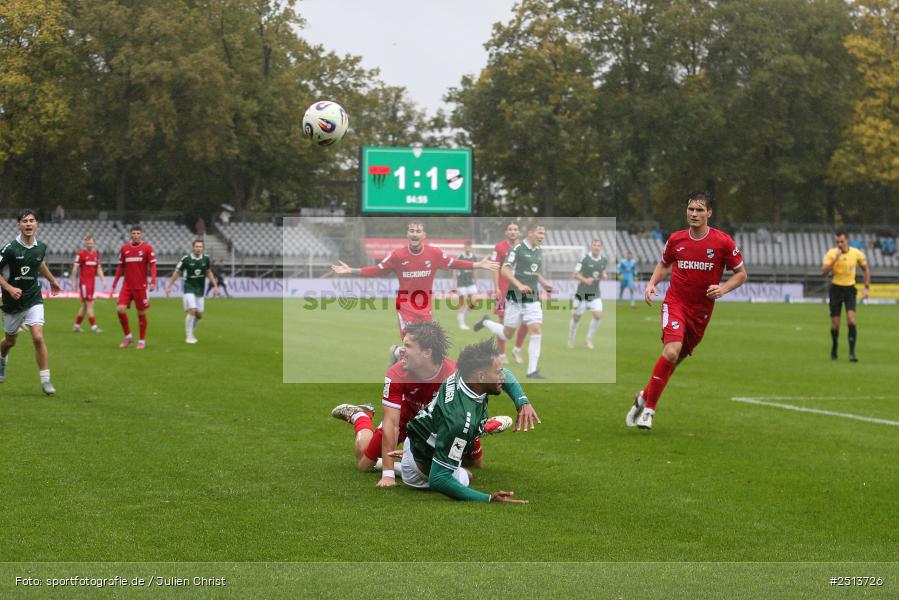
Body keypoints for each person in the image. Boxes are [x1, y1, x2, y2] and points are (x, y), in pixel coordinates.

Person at [330, 321, 541, 488]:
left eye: (408, 346)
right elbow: (392, 423)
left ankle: (477, 427)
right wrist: (387, 475)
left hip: (444, 423)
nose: (401, 351)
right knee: (363, 464)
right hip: (407, 419)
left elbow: (497, 371)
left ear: (427, 352)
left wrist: (522, 401)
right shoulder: (396, 373)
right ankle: (360, 416)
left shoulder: (453, 370)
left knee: (474, 465)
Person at [626, 191, 747, 430]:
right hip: (675, 303)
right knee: (671, 352)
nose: (694, 214)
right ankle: (649, 411)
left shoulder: (723, 242)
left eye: (700, 210)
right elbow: (663, 264)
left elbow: (741, 274)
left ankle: (642, 397)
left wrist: (723, 289)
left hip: (701, 312)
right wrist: (652, 284)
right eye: (691, 209)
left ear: (709, 213)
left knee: (674, 360)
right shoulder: (676, 239)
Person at [331, 221, 498, 361]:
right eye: (412, 230)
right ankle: (403, 370)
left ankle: (397, 353)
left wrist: (477, 265)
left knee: (428, 346)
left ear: (423, 235)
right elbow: (377, 269)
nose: (415, 233)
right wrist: (351, 270)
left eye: (418, 231)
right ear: (407, 234)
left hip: (425, 306)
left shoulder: (434, 253)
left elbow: (454, 263)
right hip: (405, 306)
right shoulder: (398, 255)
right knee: (411, 344)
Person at [399, 338, 529, 503]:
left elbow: (506, 373)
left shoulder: (464, 374)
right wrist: (488, 498)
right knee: (465, 476)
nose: (503, 376)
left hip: (419, 438)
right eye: (498, 373)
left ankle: (478, 428)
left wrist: (522, 401)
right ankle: (478, 429)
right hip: (417, 471)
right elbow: (439, 479)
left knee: (461, 446)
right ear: (481, 377)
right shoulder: (460, 421)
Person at [475, 223, 553, 379]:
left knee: (536, 329)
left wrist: (544, 283)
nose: (541, 236)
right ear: (530, 233)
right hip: (515, 298)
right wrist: (519, 285)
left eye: (543, 233)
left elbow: (534, 272)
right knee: (507, 334)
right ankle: (486, 323)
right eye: (539, 233)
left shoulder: (538, 250)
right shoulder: (516, 249)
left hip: (532, 298)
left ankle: (532, 370)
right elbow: (504, 269)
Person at [0, 209, 62, 395]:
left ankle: (46, 381)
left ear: (36, 224)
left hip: (34, 297)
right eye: (24, 221)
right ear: (19, 225)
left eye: (32, 221)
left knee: (38, 337)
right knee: (10, 341)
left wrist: (52, 280)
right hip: (13, 302)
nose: (28, 224)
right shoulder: (10, 249)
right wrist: (10, 288)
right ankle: (2, 358)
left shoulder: (41, 247)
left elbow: (39, 262)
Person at [822, 231, 870, 362]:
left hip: (850, 290)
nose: (839, 244)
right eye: (837, 242)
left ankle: (852, 353)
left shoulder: (856, 253)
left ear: (847, 240)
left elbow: (865, 269)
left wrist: (866, 288)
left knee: (851, 320)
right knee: (835, 325)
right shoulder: (831, 253)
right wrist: (834, 260)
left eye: (842, 241)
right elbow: (824, 272)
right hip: (836, 289)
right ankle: (835, 346)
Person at [111, 225, 156, 350]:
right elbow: (120, 267)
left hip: (140, 286)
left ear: (141, 234)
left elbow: (153, 265)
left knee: (140, 312)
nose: (136, 235)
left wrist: (153, 281)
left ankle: (142, 340)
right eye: (134, 233)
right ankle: (128, 336)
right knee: (120, 309)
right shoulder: (124, 248)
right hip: (127, 286)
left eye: (138, 233)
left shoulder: (147, 248)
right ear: (130, 234)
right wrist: (114, 284)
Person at [165, 240, 218, 344]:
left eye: (200, 246)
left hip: (200, 289)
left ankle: (191, 333)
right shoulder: (186, 259)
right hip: (189, 288)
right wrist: (169, 286)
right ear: (193, 247)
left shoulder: (206, 259)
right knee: (192, 310)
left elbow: (209, 272)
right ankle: (188, 336)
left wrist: (215, 285)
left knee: (199, 315)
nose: (198, 248)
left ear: (203, 248)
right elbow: (177, 272)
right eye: (196, 246)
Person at [489, 223, 529, 363]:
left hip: (521, 289)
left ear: (519, 232)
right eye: (510, 229)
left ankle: (517, 349)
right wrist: (497, 288)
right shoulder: (499, 247)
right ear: (506, 232)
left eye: (515, 229)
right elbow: (495, 268)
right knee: (503, 322)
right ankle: (501, 353)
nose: (513, 232)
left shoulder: (525, 247)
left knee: (526, 320)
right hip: (504, 290)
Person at [568, 239, 608, 350]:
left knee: (598, 316)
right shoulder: (584, 259)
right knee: (576, 318)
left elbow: (603, 270)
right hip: (582, 293)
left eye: (598, 245)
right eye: (594, 245)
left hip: (595, 293)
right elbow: (575, 274)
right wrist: (585, 280)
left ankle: (588, 339)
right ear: (591, 247)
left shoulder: (604, 260)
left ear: (601, 247)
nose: (596, 247)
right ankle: (571, 339)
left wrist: (604, 275)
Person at [71, 235, 108, 333]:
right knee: (90, 304)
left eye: (91, 243)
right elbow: (75, 268)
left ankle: (76, 325)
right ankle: (94, 326)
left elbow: (98, 268)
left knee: (85, 305)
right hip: (84, 284)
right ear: (85, 243)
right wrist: (74, 281)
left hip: (92, 283)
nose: (90, 245)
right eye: (88, 243)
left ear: (94, 243)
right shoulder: (81, 254)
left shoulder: (96, 254)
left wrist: (103, 280)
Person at [451, 240, 478, 330]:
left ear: (471, 247)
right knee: (462, 302)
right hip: (461, 283)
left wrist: (476, 282)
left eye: (469, 246)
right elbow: (455, 269)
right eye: (466, 245)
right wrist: (454, 284)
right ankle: (461, 324)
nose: (468, 247)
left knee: (474, 301)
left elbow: (474, 270)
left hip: (470, 282)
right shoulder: (460, 256)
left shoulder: (474, 257)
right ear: (464, 247)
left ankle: (462, 316)